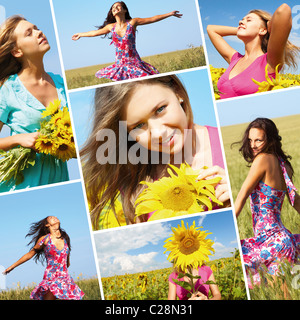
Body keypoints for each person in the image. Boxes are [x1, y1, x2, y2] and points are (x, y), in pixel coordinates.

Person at [80, 74, 230, 229]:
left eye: (160, 109)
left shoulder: (228, 144)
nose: (158, 133)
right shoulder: (135, 183)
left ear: (178, 92)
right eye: (138, 126)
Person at [0, 15, 69, 192]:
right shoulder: (8, 89)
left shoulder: (62, 84)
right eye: (29, 33)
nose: (39, 33)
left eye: (37, 28)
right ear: (17, 51)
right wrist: (18, 139)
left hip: (59, 179)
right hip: (22, 182)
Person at [234, 118, 300, 289]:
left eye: (258, 140)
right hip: (285, 241)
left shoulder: (262, 159)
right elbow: (296, 202)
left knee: (239, 261)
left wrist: (230, 227)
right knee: (282, 293)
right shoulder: (284, 165)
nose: (253, 145)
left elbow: (241, 196)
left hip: (269, 242)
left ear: (270, 140)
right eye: (250, 140)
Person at [207, 3, 300, 99]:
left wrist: (268, 28)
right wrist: (241, 29)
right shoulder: (234, 59)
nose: (240, 21)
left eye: (249, 20)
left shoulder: (270, 61)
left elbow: (284, 10)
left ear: (263, 30)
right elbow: (211, 29)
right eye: (242, 20)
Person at [72, 1, 182, 81]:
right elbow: (94, 33)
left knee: (147, 81)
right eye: (113, 8)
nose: (115, 8)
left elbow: (152, 18)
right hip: (120, 65)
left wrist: (169, 14)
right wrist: (80, 34)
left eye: (118, 6)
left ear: (124, 10)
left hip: (134, 63)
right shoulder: (111, 27)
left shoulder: (133, 23)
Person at [3, 216, 84, 300]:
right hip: (51, 278)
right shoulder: (45, 239)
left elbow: (67, 263)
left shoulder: (65, 238)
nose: (55, 217)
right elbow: (29, 254)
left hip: (65, 279)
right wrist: (11, 267)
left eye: (55, 216)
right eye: (51, 218)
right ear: (47, 225)